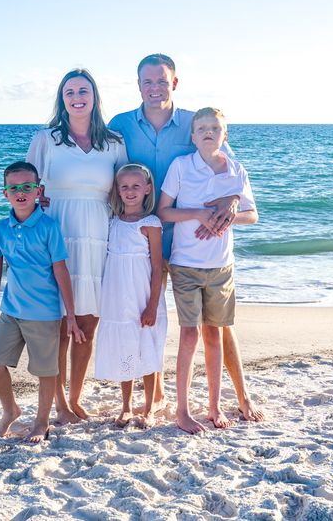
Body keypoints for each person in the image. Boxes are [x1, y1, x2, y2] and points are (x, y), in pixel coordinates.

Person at [109, 53, 264, 421]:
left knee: (217, 328)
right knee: (146, 317)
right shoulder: (119, 125)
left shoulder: (194, 123)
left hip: (189, 245)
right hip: (138, 239)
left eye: (162, 80)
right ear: (138, 85)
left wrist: (229, 203)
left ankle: (241, 396)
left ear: (174, 83)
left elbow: (226, 171)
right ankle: (155, 395)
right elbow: (107, 172)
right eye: (148, 81)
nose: (155, 88)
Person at [27, 69, 127, 421]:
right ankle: (58, 404)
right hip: (58, 233)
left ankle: (76, 396)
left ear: (95, 96)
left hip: (100, 235)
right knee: (58, 323)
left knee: (87, 322)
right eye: (69, 92)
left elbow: (122, 189)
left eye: (83, 90)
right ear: (62, 99)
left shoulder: (113, 141)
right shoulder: (47, 138)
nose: (76, 97)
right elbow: (29, 186)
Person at [158, 107, 258, 435]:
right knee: (190, 334)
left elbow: (251, 215)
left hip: (221, 266)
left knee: (215, 334)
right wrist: (200, 214)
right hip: (185, 263)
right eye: (201, 128)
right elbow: (164, 212)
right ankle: (183, 411)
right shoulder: (181, 166)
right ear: (192, 135)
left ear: (224, 135)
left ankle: (214, 405)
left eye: (215, 128)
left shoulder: (235, 170)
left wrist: (229, 215)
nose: (208, 133)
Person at [0, 161, 85, 443]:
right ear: (5, 194)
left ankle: (41, 422)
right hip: (10, 311)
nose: (20, 192)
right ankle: (10, 411)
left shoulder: (48, 227)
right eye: (14, 188)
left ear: (39, 191)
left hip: (44, 313)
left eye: (27, 187)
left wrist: (70, 315)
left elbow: (61, 271)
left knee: (46, 371)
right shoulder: (1, 229)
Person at [94, 163, 166, 428]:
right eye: (124, 186)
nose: (130, 191)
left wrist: (152, 305)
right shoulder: (112, 220)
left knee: (146, 347)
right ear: (117, 190)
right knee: (125, 347)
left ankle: (149, 408)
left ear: (147, 189)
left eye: (136, 186)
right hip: (116, 295)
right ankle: (125, 406)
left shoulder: (150, 224)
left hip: (142, 294)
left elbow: (158, 267)